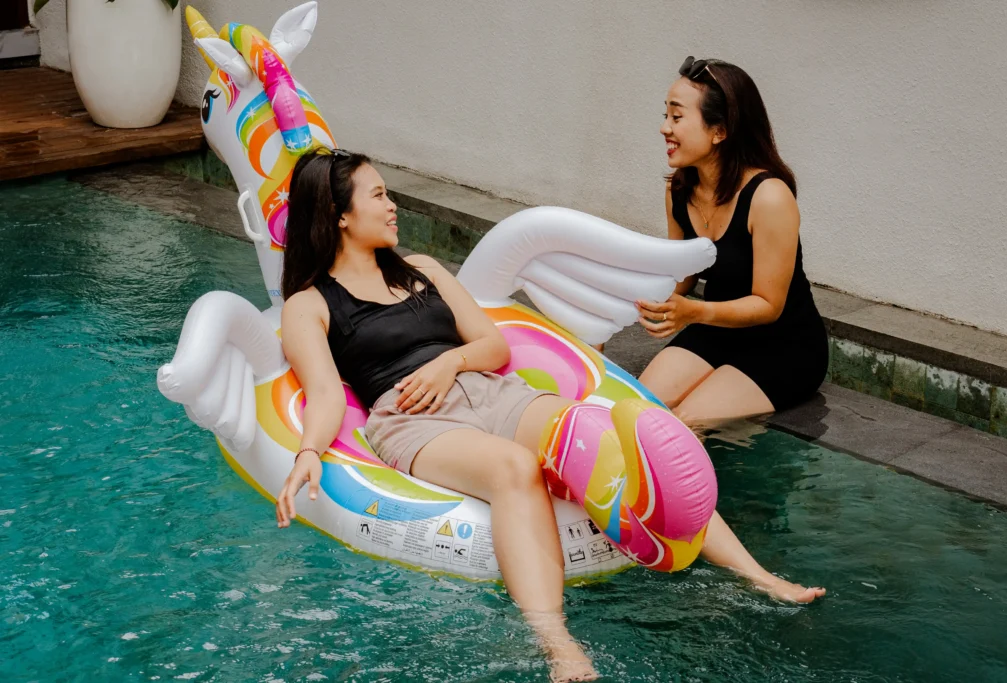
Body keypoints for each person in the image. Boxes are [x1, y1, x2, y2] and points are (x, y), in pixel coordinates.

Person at [273, 148, 825, 682]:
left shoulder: (421, 270)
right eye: (378, 195)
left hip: (492, 390)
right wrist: (308, 453)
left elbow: (492, 345)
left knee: (612, 432)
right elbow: (324, 394)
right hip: (414, 418)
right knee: (514, 468)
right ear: (340, 215)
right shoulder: (310, 304)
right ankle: (556, 642)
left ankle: (757, 576)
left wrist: (448, 364)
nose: (392, 204)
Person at [636, 57, 829, 429]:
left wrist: (692, 313)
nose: (664, 127)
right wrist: (621, 295)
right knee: (634, 406)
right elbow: (682, 278)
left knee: (680, 425)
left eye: (677, 117)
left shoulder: (769, 197)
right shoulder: (679, 188)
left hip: (783, 345)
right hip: (718, 329)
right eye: (666, 115)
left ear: (719, 131)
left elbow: (769, 306)